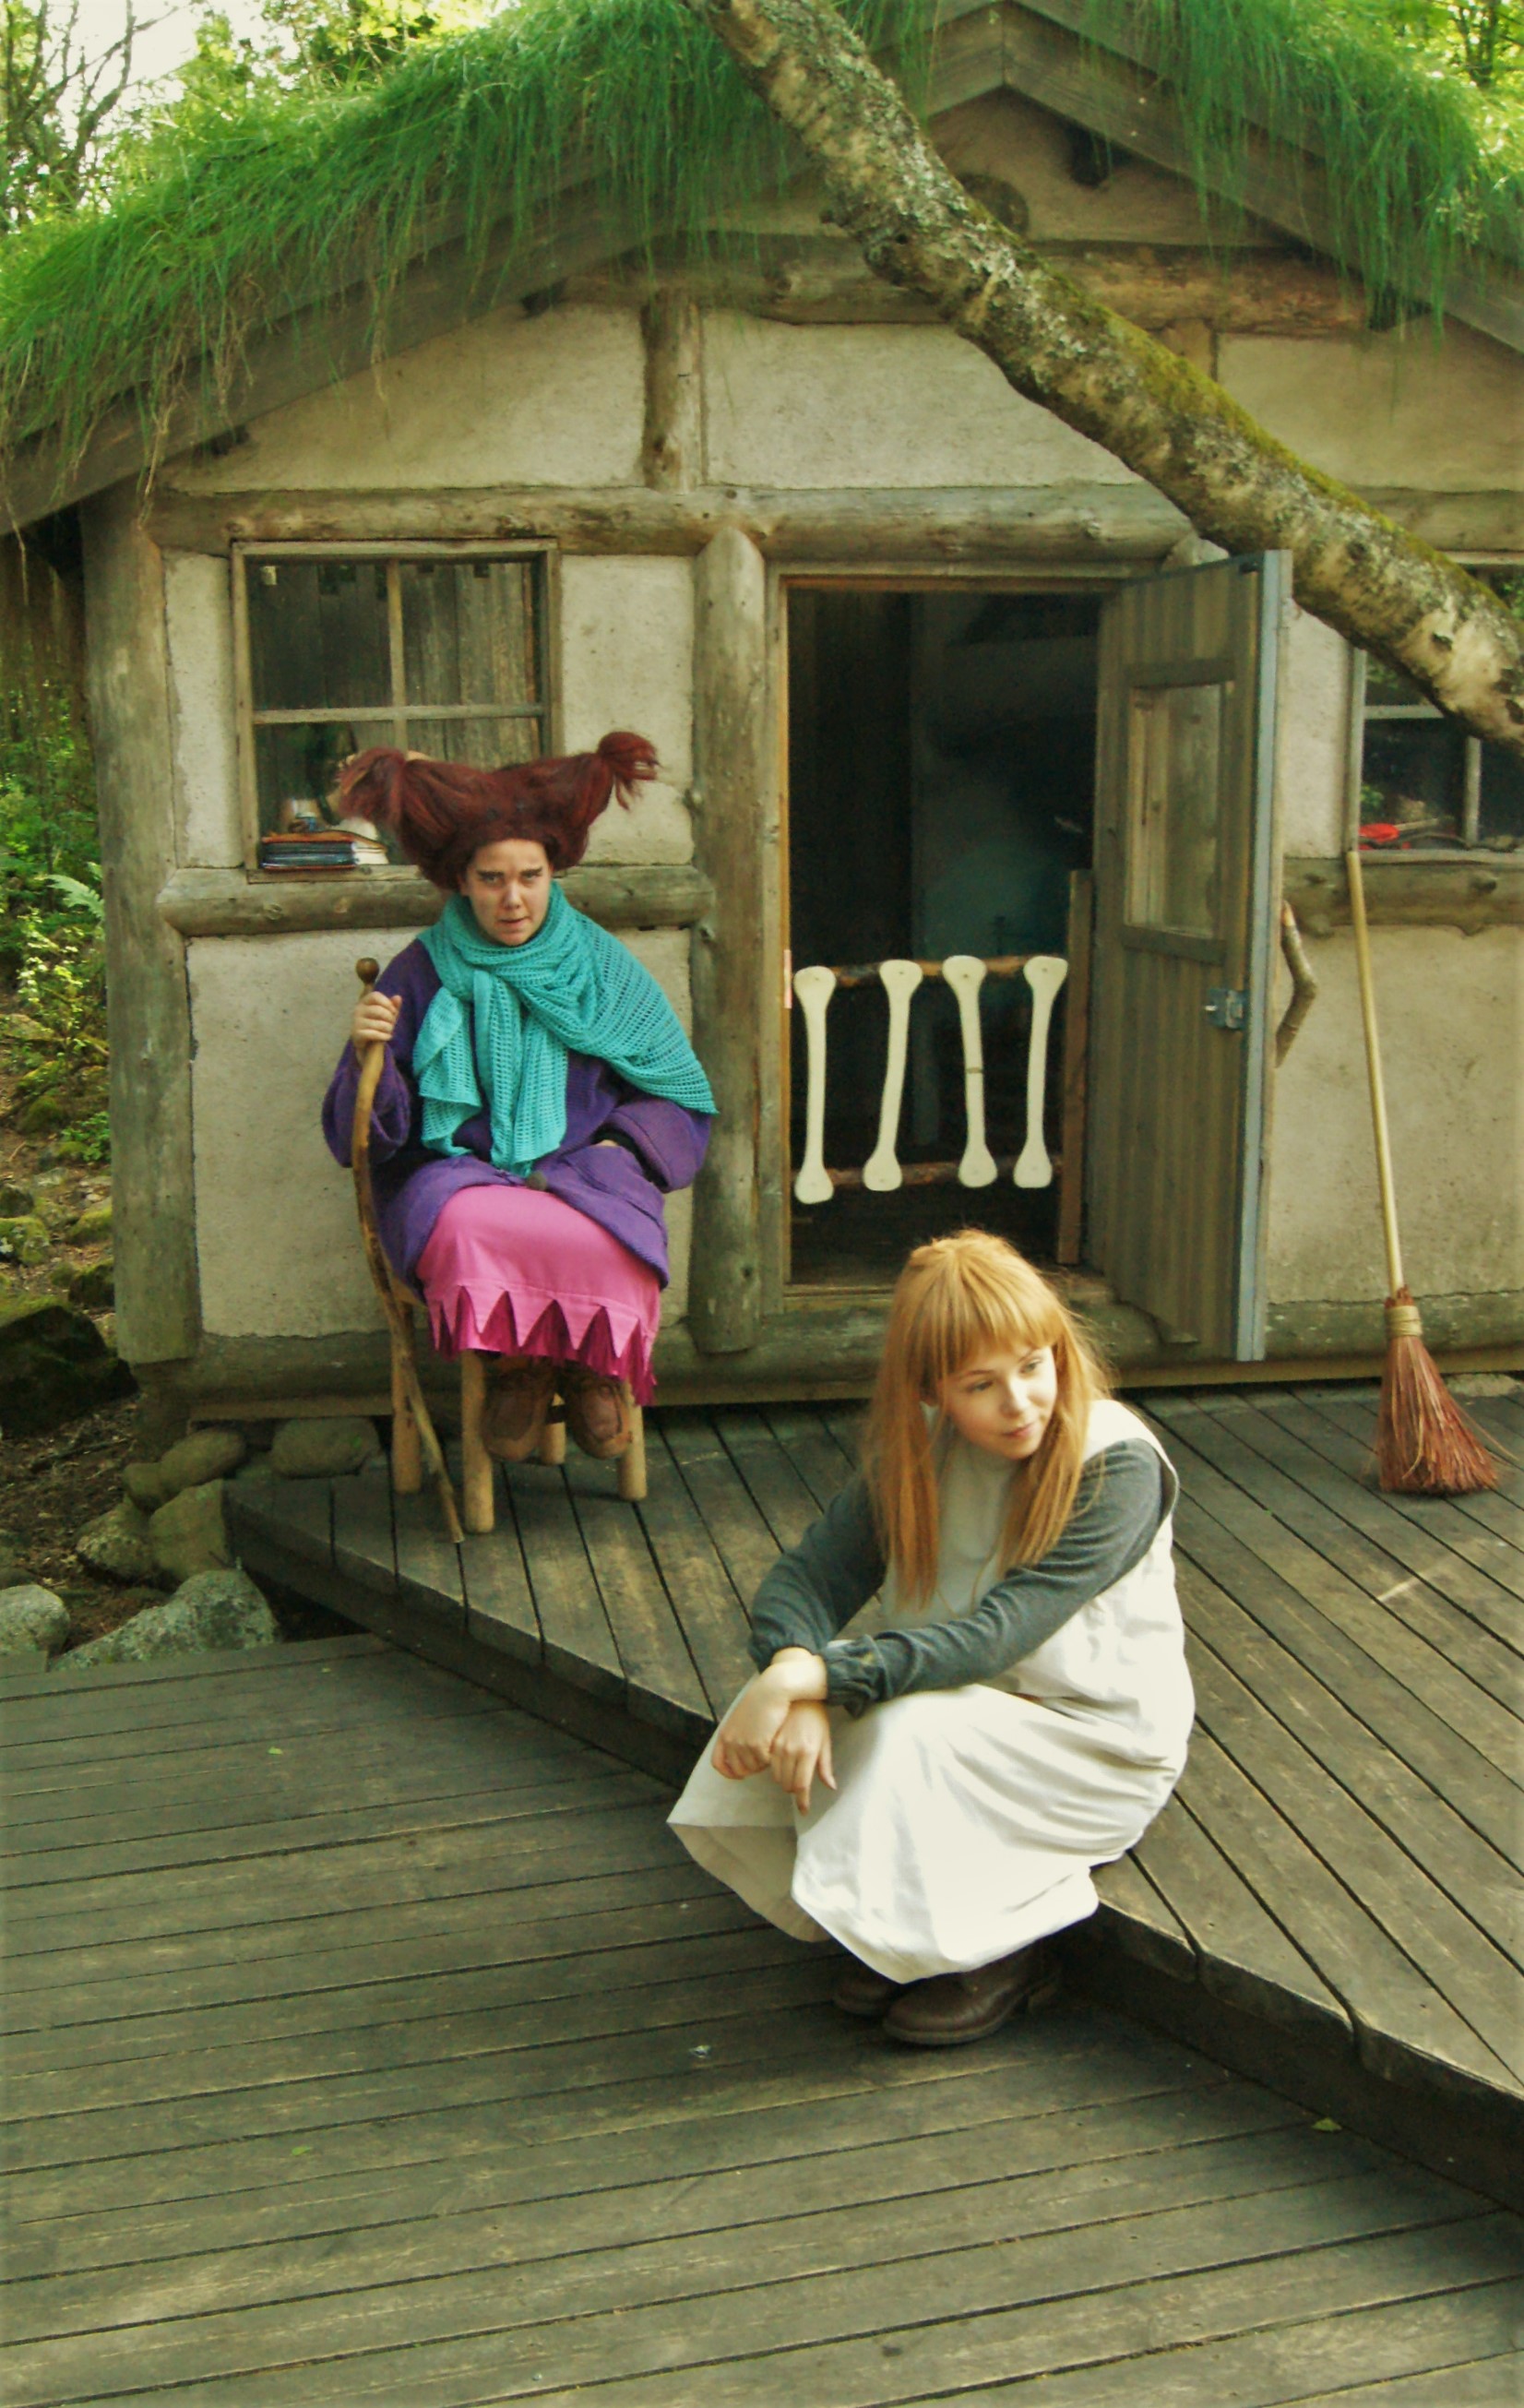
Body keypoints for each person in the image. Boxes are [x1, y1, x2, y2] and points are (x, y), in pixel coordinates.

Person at [669, 1230, 1193, 2046]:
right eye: (980, 1384)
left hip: (1088, 1745)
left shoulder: (1115, 1464)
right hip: (959, 1706)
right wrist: (795, 1676)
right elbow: (808, 1579)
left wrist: (810, 1681)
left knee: (900, 1726)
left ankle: (1000, 1948)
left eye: (1033, 1365)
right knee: (827, 1710)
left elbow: (996, 1636)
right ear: (931, 1389)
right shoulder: (921, 1448)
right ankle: (894, 1925)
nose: (1018, 1402)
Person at [322, 733, 715, 1460]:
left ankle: (590, 1367)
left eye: (530, 876)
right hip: (460, 1174)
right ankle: (520, 1368)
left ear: (552, 873)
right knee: (467, 1227)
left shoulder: (601, 965)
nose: (513, 899)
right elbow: (363, 1136)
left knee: (609, 1233)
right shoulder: (419, 971)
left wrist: (618, 1151)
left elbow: (676, 1090)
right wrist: (368, 1053)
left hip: (584, 1172)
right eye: (492, 879)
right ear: (461, 881)